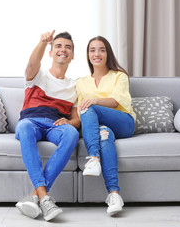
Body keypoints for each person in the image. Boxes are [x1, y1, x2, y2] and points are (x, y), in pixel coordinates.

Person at [15, 30, 80, 221]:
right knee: (25, 128)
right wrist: (43, 42)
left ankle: (36, 196)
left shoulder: (74, 86)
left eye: (68, 47)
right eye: (58, 46)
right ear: (51, 52)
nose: (63, 49)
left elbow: (77, 120)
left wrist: (70, 122)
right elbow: (32, 63)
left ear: (73, 55)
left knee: (72, 134)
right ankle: (44, 197)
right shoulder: (37, 75)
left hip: (55, 125)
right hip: (31, 121)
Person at [76, 36, 136, 216]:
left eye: (101, 49)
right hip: (101, 127)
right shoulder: (81, 82)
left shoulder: (120, 76)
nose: (97, 54)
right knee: (104, 134)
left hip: (124, 122)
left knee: (89, 105)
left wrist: (94, 101)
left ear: (108, 53)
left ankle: (93, 157)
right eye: (92, 50)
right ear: (88, 55)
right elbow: (79, 111)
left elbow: (116, 101)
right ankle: (114, 194)